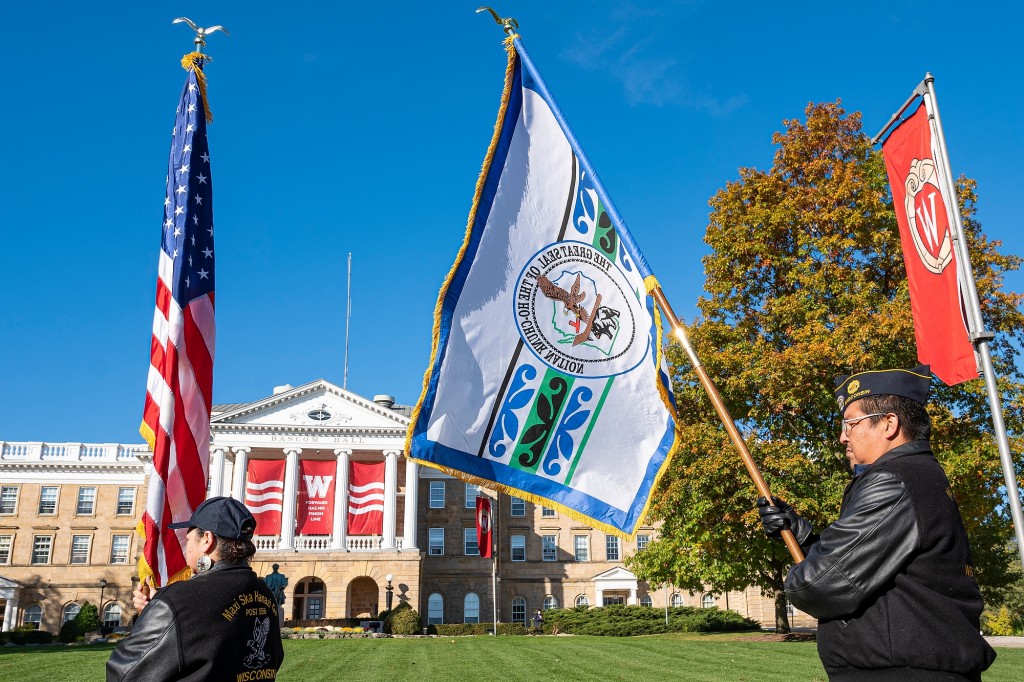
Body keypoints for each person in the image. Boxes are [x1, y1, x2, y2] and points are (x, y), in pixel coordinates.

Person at [757, 365, 995, 681]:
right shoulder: (917, 475)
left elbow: (818, 585)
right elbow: (874, 573)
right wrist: (800, 535)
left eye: (851, 424)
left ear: (888, 423)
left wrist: (801, 578)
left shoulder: (893, 482)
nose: (843, 436)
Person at [107, 497, 285, 681]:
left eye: (189, 539)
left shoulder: (177, 600)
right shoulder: (265, 593)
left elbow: (124, 673)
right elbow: (274, 658)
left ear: (207, 540)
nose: (186, 547)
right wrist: (155, 612)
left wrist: (160, 611)